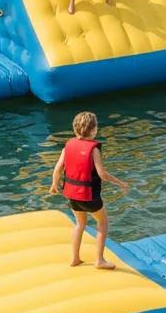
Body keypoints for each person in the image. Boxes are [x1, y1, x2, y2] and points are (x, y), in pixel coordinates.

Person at [49, 110, 129, 270]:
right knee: (103, 222)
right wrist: (120, 183)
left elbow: (57, 169)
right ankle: (99, 260)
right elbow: (102, 174)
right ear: (93, 130)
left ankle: (75, 258)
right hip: (89, 196)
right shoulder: (94, 150)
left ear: (75, 129)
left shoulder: (68, 146)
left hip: (72, 194)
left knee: (80, 223)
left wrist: (54, 185)